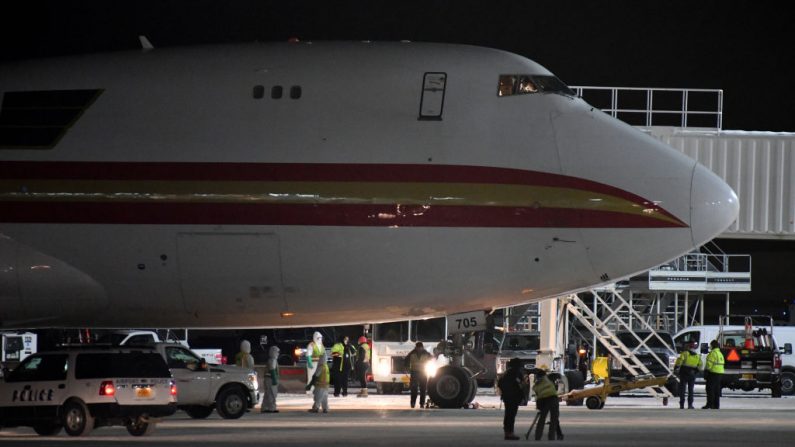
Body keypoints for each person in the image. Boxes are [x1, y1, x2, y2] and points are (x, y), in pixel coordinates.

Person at [496, 358, 525, 441]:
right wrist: (521, 395)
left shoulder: (506, 372)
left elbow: (500, 383)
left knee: (508, 414)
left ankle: (507, 432)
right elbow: (520, 385)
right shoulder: (516, 373)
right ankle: (510, 433)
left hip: (507, 397)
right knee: (511, 415)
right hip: (513, 397)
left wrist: (504, 392)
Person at [532, 366, 562, 441]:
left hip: (543, 401)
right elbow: (558, 376)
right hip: (553, 398)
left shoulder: (535, 385)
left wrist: (538, 406)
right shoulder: (548, 379)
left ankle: (537, 436)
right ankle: (551, 437)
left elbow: (537, 396)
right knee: (554, 419)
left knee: (542, 419)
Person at [674, 341, 702, 409]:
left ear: (688, 347)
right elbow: (700, 365)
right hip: (692, 374)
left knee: (682, 389)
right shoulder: (697, 355)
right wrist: (696, 371)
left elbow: (679, 361)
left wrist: (676, 368)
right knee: (691, 390)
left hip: (684, 373)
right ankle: (690, 405)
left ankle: (682, 404)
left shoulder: (685, 353)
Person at [404, 341, 432, 408]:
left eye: (420, 348)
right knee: (414, 389)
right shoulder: (411, 354)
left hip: (423, 373)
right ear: (416, 348)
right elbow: (406, 360)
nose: (419, 349)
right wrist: (406, 368)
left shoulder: (426, 353)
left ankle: (422, 403)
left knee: (423, 389)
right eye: (418, 348)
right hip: (414, 373)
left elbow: (432, 358)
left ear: (422, 347)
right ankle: (413, 403)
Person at [703, 339, 725, 409]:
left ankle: (709, 404)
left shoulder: (713, 353)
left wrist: (706, 371)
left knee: (710, 389)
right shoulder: (720, 353)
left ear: (713, 345)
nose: (710, 346)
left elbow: (709, 364)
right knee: (716, 390)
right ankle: (716, 405)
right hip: (720, 374)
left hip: (713, 373)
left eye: (711, 345)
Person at [261, 345, 280, 413]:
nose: (278, 353)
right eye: (277, 352)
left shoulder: (271, 360)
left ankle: (265, 407)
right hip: (270, 379)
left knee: (267, 394)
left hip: (267, 379)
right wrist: (275, 379)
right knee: (272, 394)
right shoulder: (273, 360)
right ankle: (271, 408)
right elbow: (272, 369)